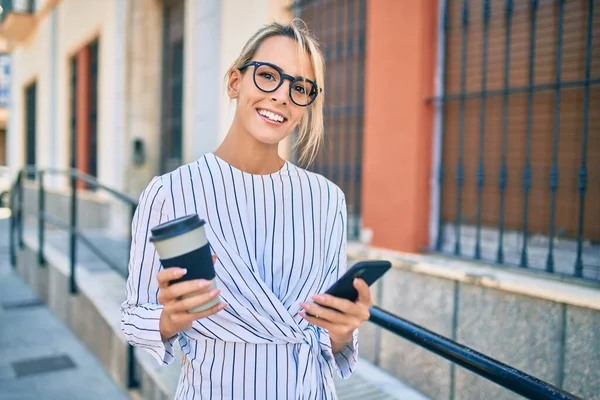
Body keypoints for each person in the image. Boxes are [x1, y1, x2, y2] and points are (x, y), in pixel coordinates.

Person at [121, 19, 373, 399]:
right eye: (268, 76)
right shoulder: (170, 192)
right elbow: (131, 316)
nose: (282, 96)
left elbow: (327, 332)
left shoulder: (327, 199)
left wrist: (342, 328)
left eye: (300, 88)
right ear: (235, 82)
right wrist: (169, 319)